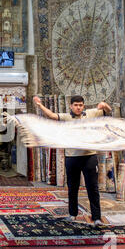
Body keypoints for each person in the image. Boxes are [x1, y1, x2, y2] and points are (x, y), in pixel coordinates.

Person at [33, 95, 112, 227]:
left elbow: (108, 112)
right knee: (72, 188)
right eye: (75, 105)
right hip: (72, 158)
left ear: (83, 106)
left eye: (80, 105)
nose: (78, 107)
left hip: (89, 156)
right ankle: (72, 214)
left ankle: (97, 218)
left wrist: (105, 105)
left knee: (92, 188)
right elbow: (52, 116)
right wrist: (39, 105)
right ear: (71, 106)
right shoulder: (66, 117)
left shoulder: (91, 113)